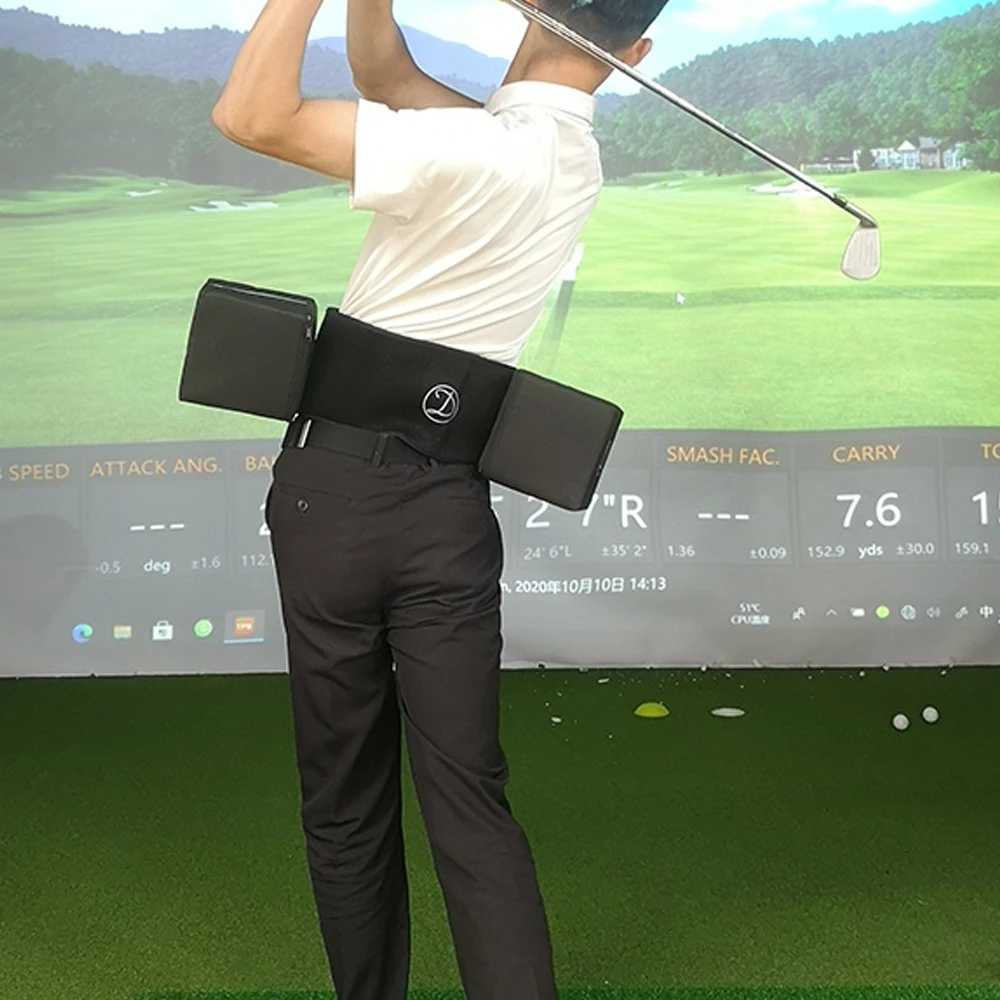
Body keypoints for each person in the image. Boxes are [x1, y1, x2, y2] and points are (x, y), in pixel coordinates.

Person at [211, 2, 666, 998]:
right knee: (470, 801)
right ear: (638, 51)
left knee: (344, 796)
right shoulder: (562, 158)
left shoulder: (470, 147)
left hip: (334, 498)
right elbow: (386, 76)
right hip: (450, 512)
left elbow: (250, 114)